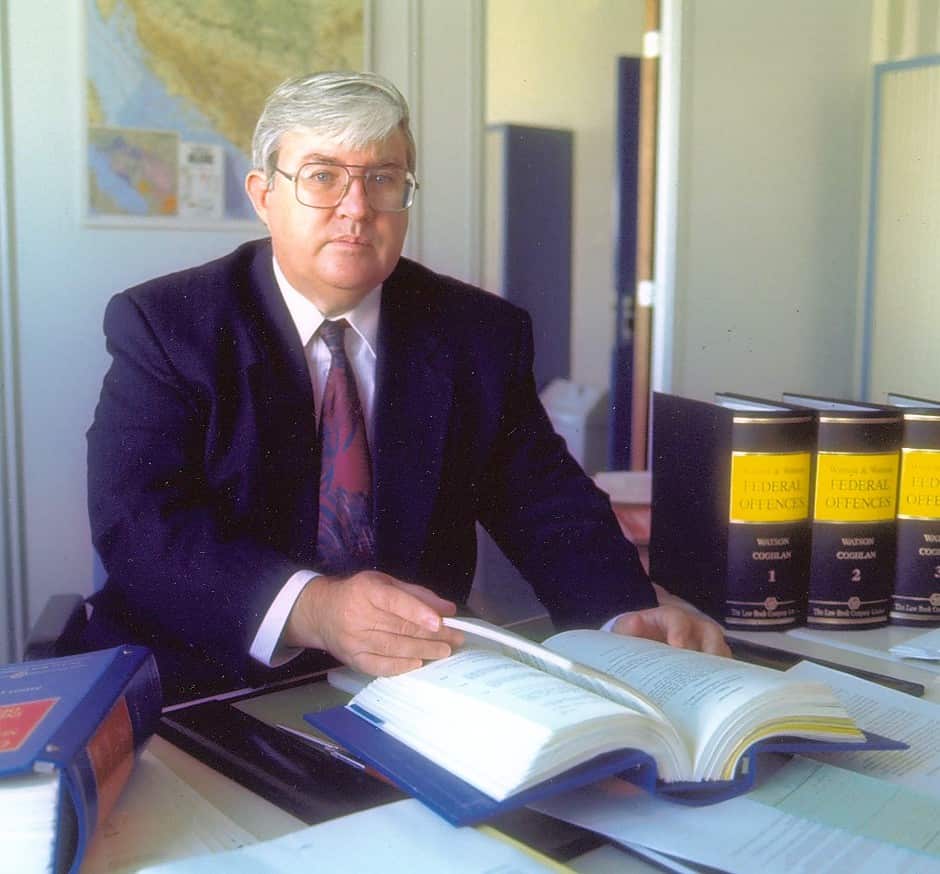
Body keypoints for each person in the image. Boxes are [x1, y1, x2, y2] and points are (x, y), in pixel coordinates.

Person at [83, 71, 727, 703]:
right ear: (262, 195)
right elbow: (137, 523)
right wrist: (315, 607)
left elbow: (545, 505)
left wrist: (624, 615)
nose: (357, 208)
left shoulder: (477, 332)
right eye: (322, 176)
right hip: (202, 681)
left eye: (383, 179)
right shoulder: (169, 324)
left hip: (419, 683)